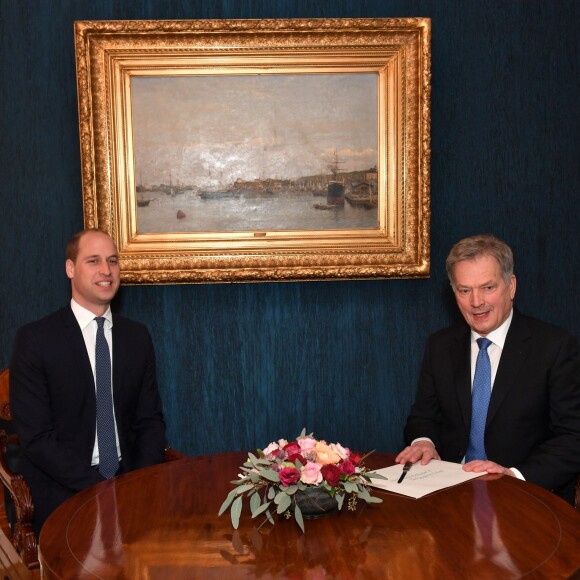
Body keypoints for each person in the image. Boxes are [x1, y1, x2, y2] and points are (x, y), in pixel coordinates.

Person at [396, 234, 580, 504]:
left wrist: (514, 476)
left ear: (511, 286)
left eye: (488, 288)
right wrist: (423, 441)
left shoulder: (554, 347)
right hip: (452, 495)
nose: (476, 302)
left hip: (527, 496)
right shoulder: (440, 345)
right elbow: (424, 414)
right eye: (464, 290)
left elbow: (572, 437)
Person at [10, 229, 166, 535]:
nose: (106, 271)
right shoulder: (35, 340)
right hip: (62, 489)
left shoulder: (136, 337)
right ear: (70, 268)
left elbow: (150, 422)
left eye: (112, 261)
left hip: (129, 481)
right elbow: (38, 439)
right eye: (93, 261)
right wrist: (101, 490)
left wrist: (139, 483)